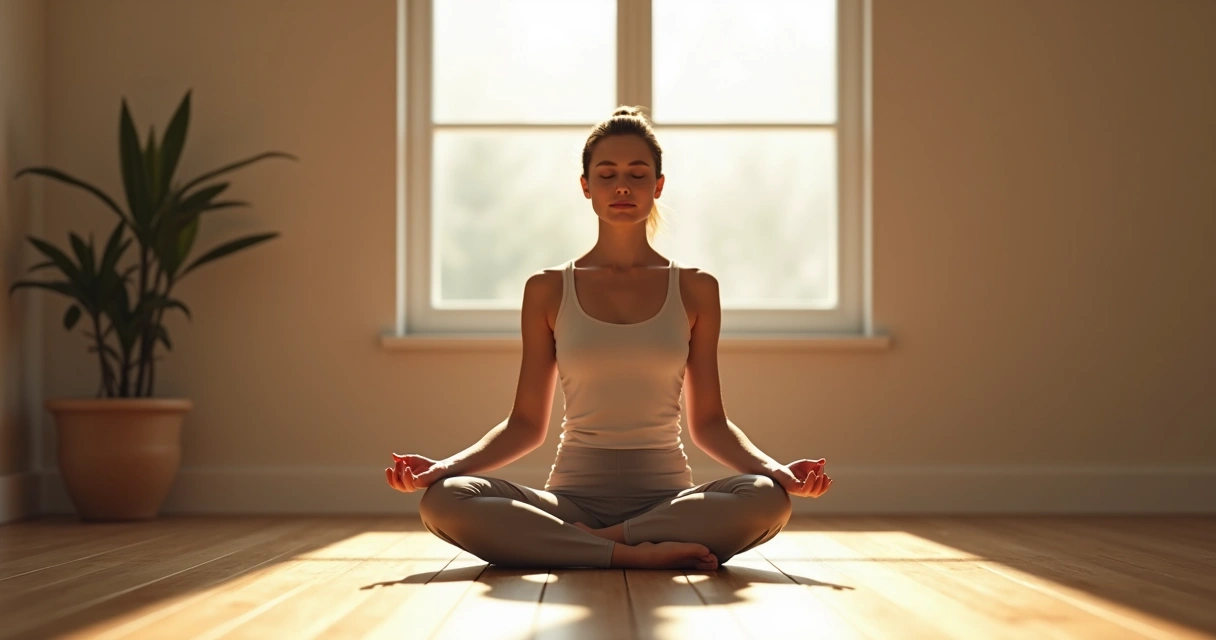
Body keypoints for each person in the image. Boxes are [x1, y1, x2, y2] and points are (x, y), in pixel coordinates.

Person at [384, 106, 833, 570]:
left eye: (638, 175)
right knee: (445, 500)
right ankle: (629, 554)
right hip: (572, 502)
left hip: (668, 503)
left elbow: (710, 423)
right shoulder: (548, 289)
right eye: (608, 174)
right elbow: (525, 425)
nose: (623, 186)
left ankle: (599, 544)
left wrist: (778, 472)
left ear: (658, 186)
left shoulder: (698, 289)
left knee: (766, 498)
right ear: (586, 186)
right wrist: (443, 468)